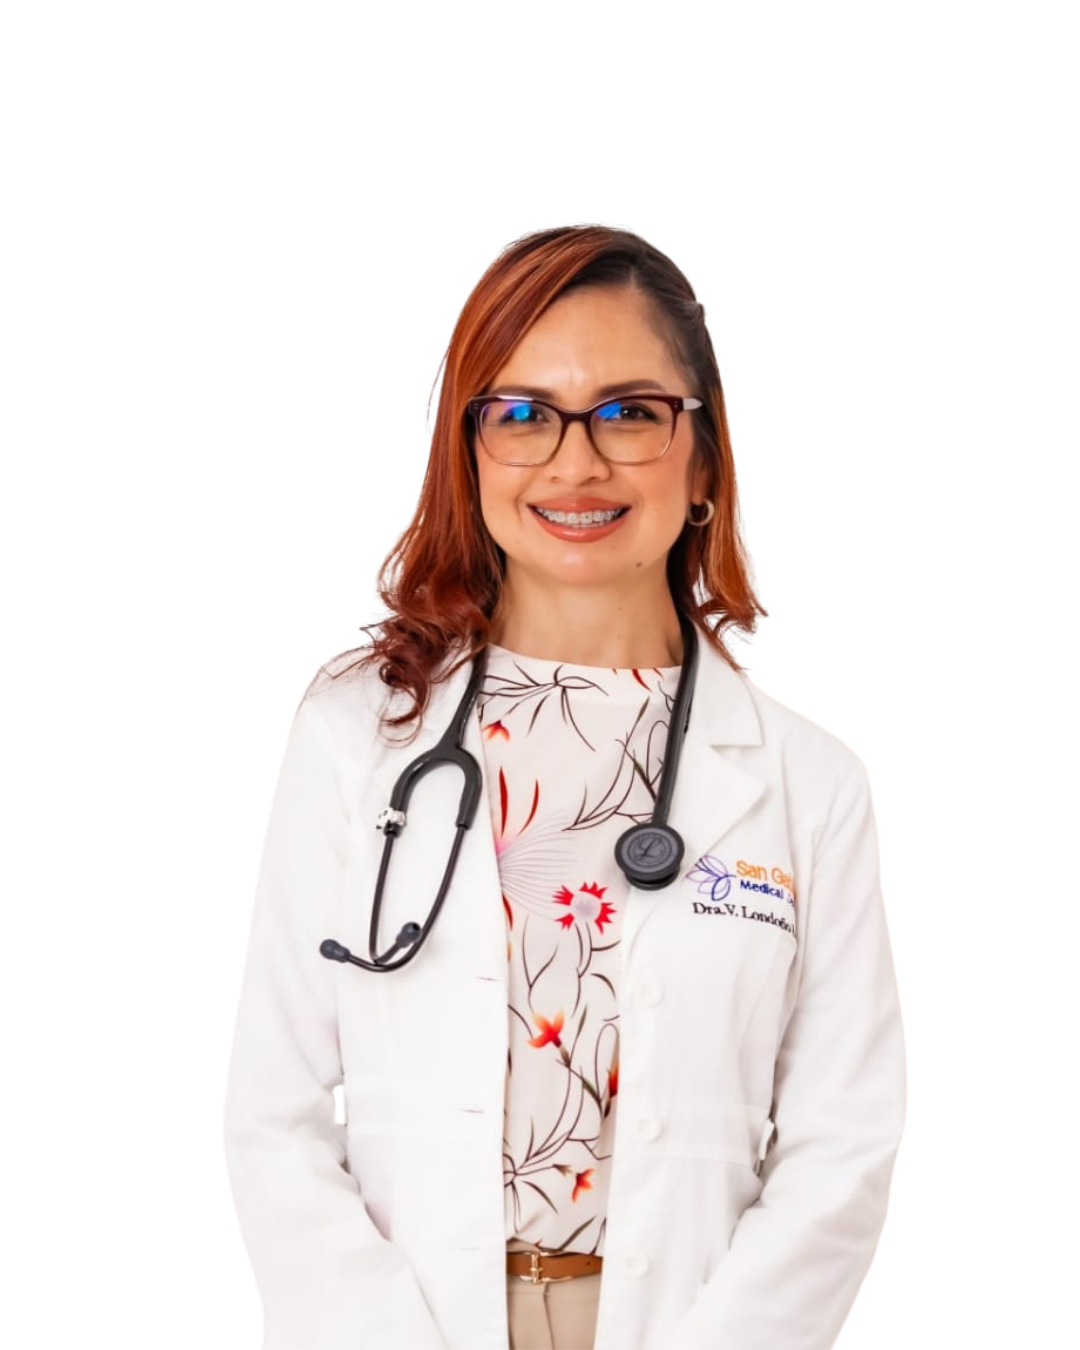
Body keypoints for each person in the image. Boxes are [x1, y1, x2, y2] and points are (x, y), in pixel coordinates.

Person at [221, 222, 907, 1350]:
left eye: (630, 412)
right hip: (407, 1325)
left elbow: (844, 1142)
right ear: (471, 451)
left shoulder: (807, 779)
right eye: (522, 413)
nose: (575, 463)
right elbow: (275, 1111)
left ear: (702, 461)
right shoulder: (357, 730)